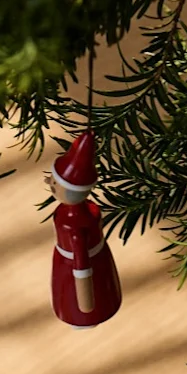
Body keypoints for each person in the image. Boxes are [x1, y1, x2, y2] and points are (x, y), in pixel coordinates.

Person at [49, 130, 122, 329]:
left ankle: (83, 316)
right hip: (83, 259)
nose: (49, 183)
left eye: (55, 182)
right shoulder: (85, 212)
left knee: (80, 297)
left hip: (74, 266)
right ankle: (91, 311)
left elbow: (82, 267)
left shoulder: (75, 227)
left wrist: (85, 304)